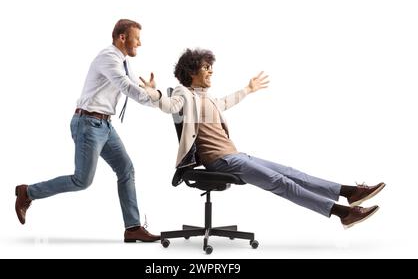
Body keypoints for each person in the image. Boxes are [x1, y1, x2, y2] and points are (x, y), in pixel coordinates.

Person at [141, 48, 385, 229]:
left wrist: (248, 89)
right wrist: (153, 93)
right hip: (220, 160)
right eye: (206, 67)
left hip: (235, 155)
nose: (211, 71)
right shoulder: (184, 93)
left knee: (292, 173)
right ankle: (343, 213)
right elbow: (169, 105)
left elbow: (226, 102)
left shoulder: (207, 97)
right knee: (282, 183)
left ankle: (350, 192)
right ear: (192, 71)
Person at [15, 19, 161, 242]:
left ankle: (132, 228)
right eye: (137, 38)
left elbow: (137, 89)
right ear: (123, 37)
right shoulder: (108, 58)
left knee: (126, 169)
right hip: (88, 124)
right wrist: (156, 97)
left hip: (104, 125)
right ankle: (28, 192)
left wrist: (154, 96)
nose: (139, 43)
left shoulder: (123, 61)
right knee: (82, 181)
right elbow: (127, 87)